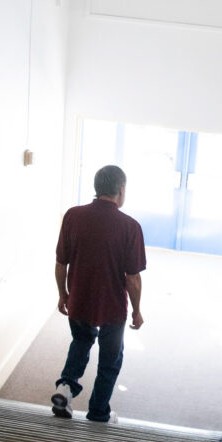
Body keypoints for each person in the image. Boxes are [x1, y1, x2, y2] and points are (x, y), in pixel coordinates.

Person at [51, 165, 145, 423]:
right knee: (110, 359)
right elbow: (133, 278)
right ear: (121, 190)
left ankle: (66, 388)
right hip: (112, 306)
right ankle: (98, 411)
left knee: (80, 342)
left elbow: (61, 263)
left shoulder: (72, 216)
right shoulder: (130, 227)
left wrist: (63, 294)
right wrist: (136, 310)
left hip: (78, 300)